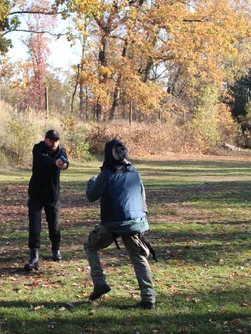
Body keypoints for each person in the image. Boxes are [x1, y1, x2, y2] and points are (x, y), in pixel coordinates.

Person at [84, 138, 156, 309]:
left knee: (90, 246)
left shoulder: (106, 174)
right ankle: (149, 298)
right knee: (138, 258)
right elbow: (142, 196)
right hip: (136, 222)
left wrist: (91, 182)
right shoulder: (134, 170)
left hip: (113, 223)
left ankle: (100, 282)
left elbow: (91, 196)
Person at [24, 129, 69, 271]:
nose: (54, 143)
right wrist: (55, 162)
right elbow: (41, 159)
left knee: (54, 226)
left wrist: (64, 165)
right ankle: (34, 256)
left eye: (56, 140)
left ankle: (56, 249)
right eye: (51, 140)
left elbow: (66, 163)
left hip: (52, 195)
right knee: (34, 225)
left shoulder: (61, 151)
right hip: (36, 194)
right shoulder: (38, 148)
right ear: (46, 139)